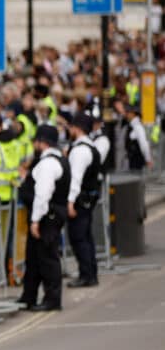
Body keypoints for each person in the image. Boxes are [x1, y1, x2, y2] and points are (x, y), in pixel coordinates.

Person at [17, 125, 69, 312]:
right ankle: (29, 296)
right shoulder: (58, 159)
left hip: (46, 216)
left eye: (36, 141)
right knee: (34, 258)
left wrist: (36, 220)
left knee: (47, 258)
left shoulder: (47, 164)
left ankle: (52, 299)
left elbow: (43, 195)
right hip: (50, 214)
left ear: (42, 142)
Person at [66, 113, 101, 289]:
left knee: (79, 238)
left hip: (81, 200)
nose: (69, 130)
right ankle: (90, 273)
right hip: (88, 198)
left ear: (78, 128)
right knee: (86, 237)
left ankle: (86, 275)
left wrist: (70, 201)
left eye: (71, 127)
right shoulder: (89, 147)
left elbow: (75, 179)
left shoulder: (80, 151)